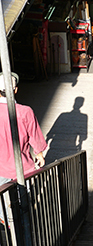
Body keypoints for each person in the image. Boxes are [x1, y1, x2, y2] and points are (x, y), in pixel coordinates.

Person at [0, 72, 47, 224]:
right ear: (15, 90)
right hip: (22, 169)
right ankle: (20, 226)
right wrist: (39, 155)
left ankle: (7, 224)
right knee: (22, 204)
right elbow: (35, 137)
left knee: (3, 204)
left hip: (0, 169)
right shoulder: (25, 111)